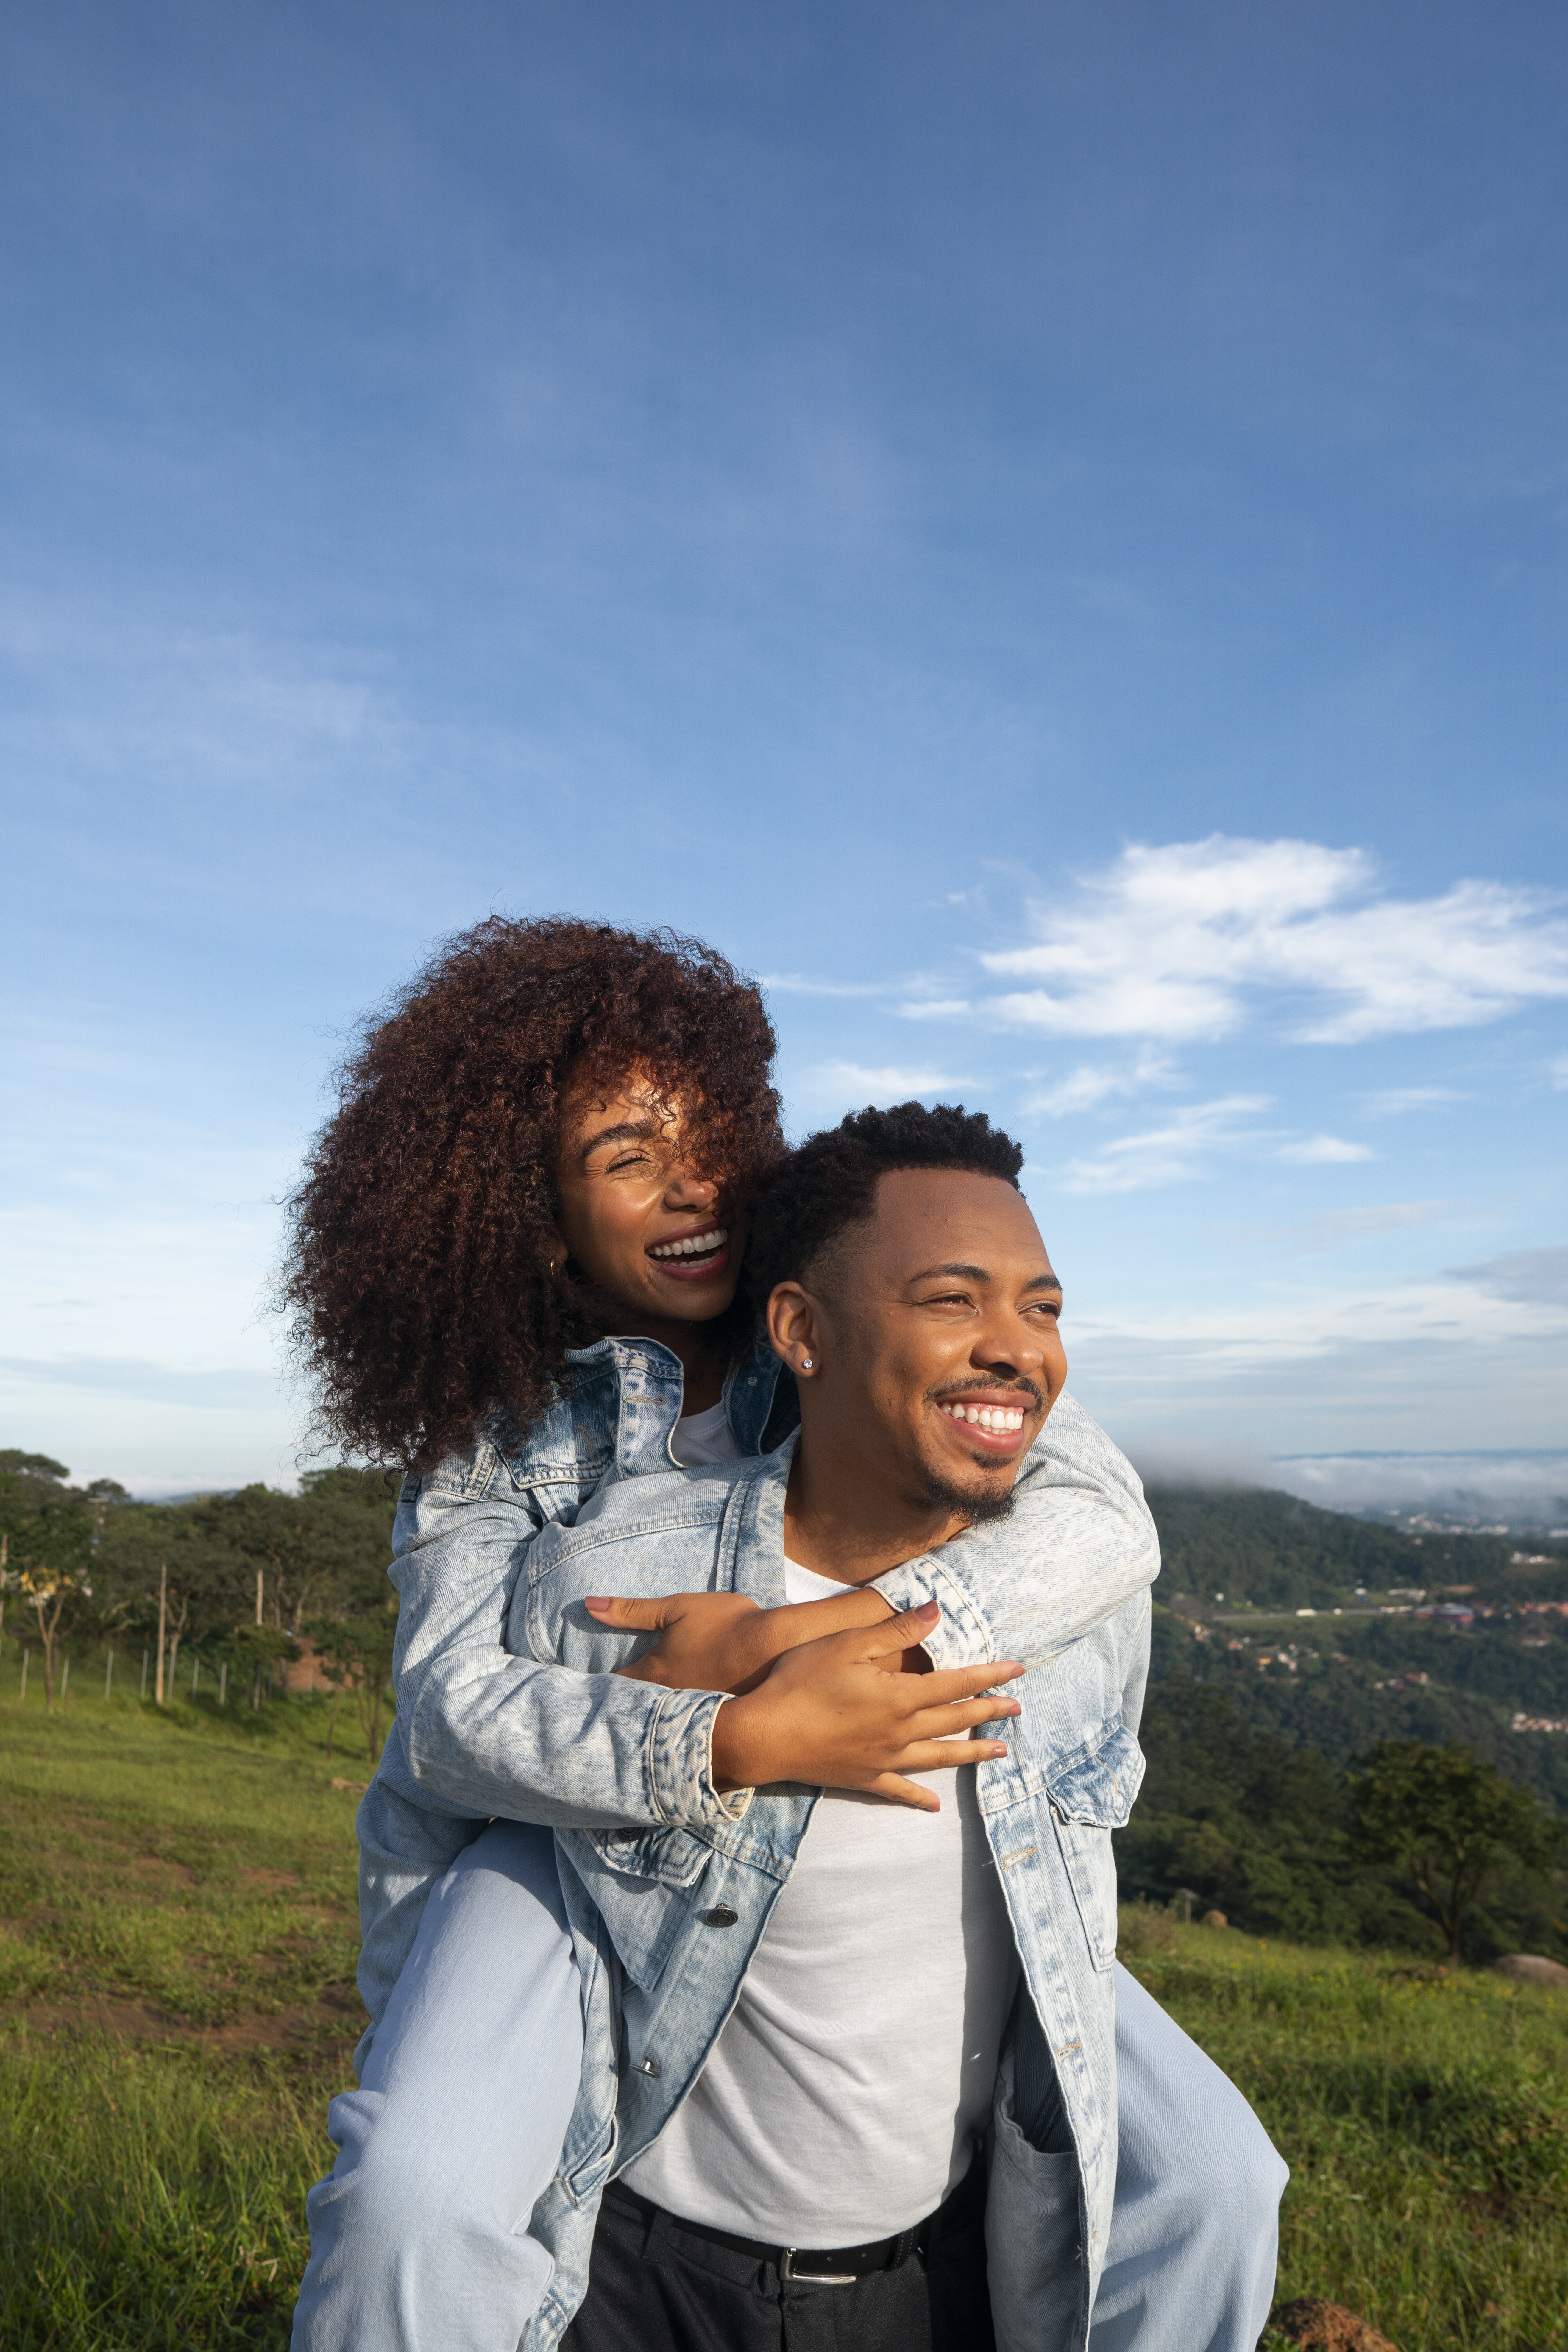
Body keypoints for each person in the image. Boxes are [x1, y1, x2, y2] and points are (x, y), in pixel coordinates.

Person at [283, 920, 1274, 2351]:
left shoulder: (825, 1333)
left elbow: (1101, 1514)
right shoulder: (496, 1437)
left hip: (812, 1795)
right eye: (628, 1157)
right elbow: (450, 1714)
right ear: (535, 1217)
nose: (692, 1189)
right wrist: (720, 1721)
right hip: (548, 1825)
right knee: (419, 2198)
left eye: (710, 1144)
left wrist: (826, 1633)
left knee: (1221, 2179)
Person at [506, 1104, 1288, 2352]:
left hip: (934, 2287)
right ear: (802, 1330)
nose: (1015, 1348)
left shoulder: (1078, 1617)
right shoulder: (623, 1591)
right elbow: (472, 1830)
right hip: (638, 2278)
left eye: (1043, 1308)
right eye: (951, 1298)